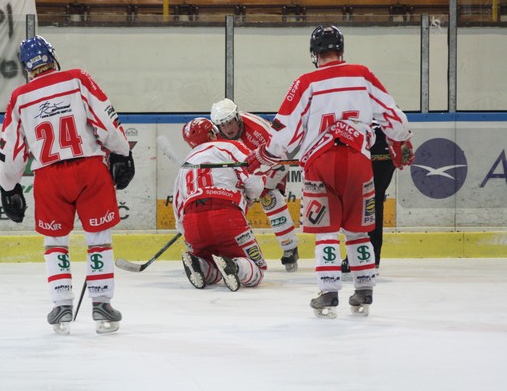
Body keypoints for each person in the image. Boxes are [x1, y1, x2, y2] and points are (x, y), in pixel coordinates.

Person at [246, 25, 414, 318]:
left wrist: (264, 155)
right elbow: (393, 115)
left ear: (314, 54)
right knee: (358, 230)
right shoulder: (362, 74)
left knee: (326, 232)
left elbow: (286, 129)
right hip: (360, 161)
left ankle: (328, 291)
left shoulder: (305, 82)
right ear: (341, 49)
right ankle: (364, 288)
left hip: (320, 163)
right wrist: (401, 139)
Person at [0, 35, 135, 335]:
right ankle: (101, 303)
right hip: (89, 169)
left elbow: (12, 149)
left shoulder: (20, 97)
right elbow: (105, 120)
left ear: (26, 66)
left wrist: (9, 186)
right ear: (52, 56)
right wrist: (122, 152)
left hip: (49, 176)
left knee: (54, 241)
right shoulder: (77, 78)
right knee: (98, 236)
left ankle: (61, 304)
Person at [173, 117, 267, 292]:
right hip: (226, 215)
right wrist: (250, 198)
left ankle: (201, 265)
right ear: (211, 134)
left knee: (212, 264)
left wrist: (185, 230)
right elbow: (255, 182)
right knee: (257, 270)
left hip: (192, 223)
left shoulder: (186, 163)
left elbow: (179, 207)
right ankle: (234, 266)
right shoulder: (231, 146)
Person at [209, 98, 300, 272]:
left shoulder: (259, 130)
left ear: (237, 117)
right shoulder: (214, 134)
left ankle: (290, 247)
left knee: (270, 198)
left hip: (271, 164)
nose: (228, 129)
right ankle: (222, 248)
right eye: (223, 125)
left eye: (230, 123)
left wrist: (260, 187)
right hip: (241, 170)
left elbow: (282, 160)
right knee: (227, 204)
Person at [341, 124, 396, 273]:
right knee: (373, 201)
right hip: (385, 147)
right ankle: (370, 258)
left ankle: (360, 257)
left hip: (369, 147)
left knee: (362, 202)